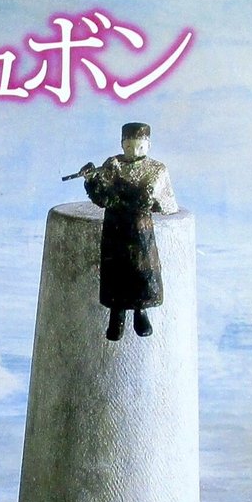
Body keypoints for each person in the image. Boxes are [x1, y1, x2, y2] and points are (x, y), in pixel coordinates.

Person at [79, 122, 178, 340]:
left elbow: (156, 201)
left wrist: (139, 198)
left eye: (140, 147)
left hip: (140, 229)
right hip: (115, 228)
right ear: (122, 144)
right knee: (115, 270)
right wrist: (91, 180)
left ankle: (141, 312)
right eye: (129, 146)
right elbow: (102, 198)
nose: (134, 152)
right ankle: (117, 316)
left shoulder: (156, 169)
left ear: (149, 145)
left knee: (142, 270)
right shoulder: (112, 165)